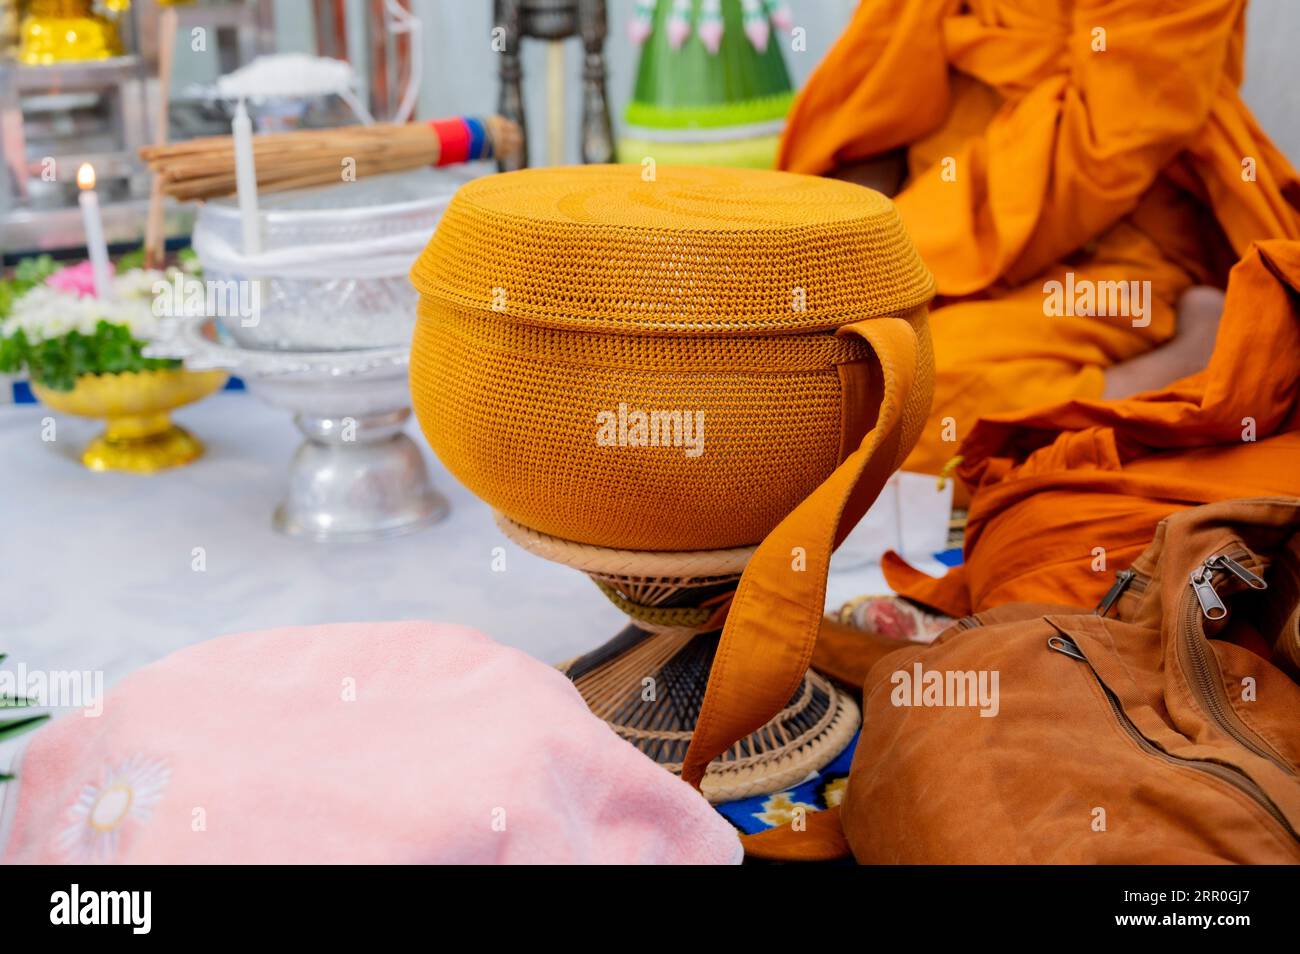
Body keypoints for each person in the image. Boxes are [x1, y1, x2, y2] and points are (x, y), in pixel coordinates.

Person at [777, 0, 1300, 484]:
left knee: (880, 403)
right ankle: (1153, 409)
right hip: (942, 207)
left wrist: (897, 258)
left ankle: (1184, 366)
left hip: (1109, 244)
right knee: (787, 378)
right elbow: (881, 90)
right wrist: (838, 246)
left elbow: (1108, 154)